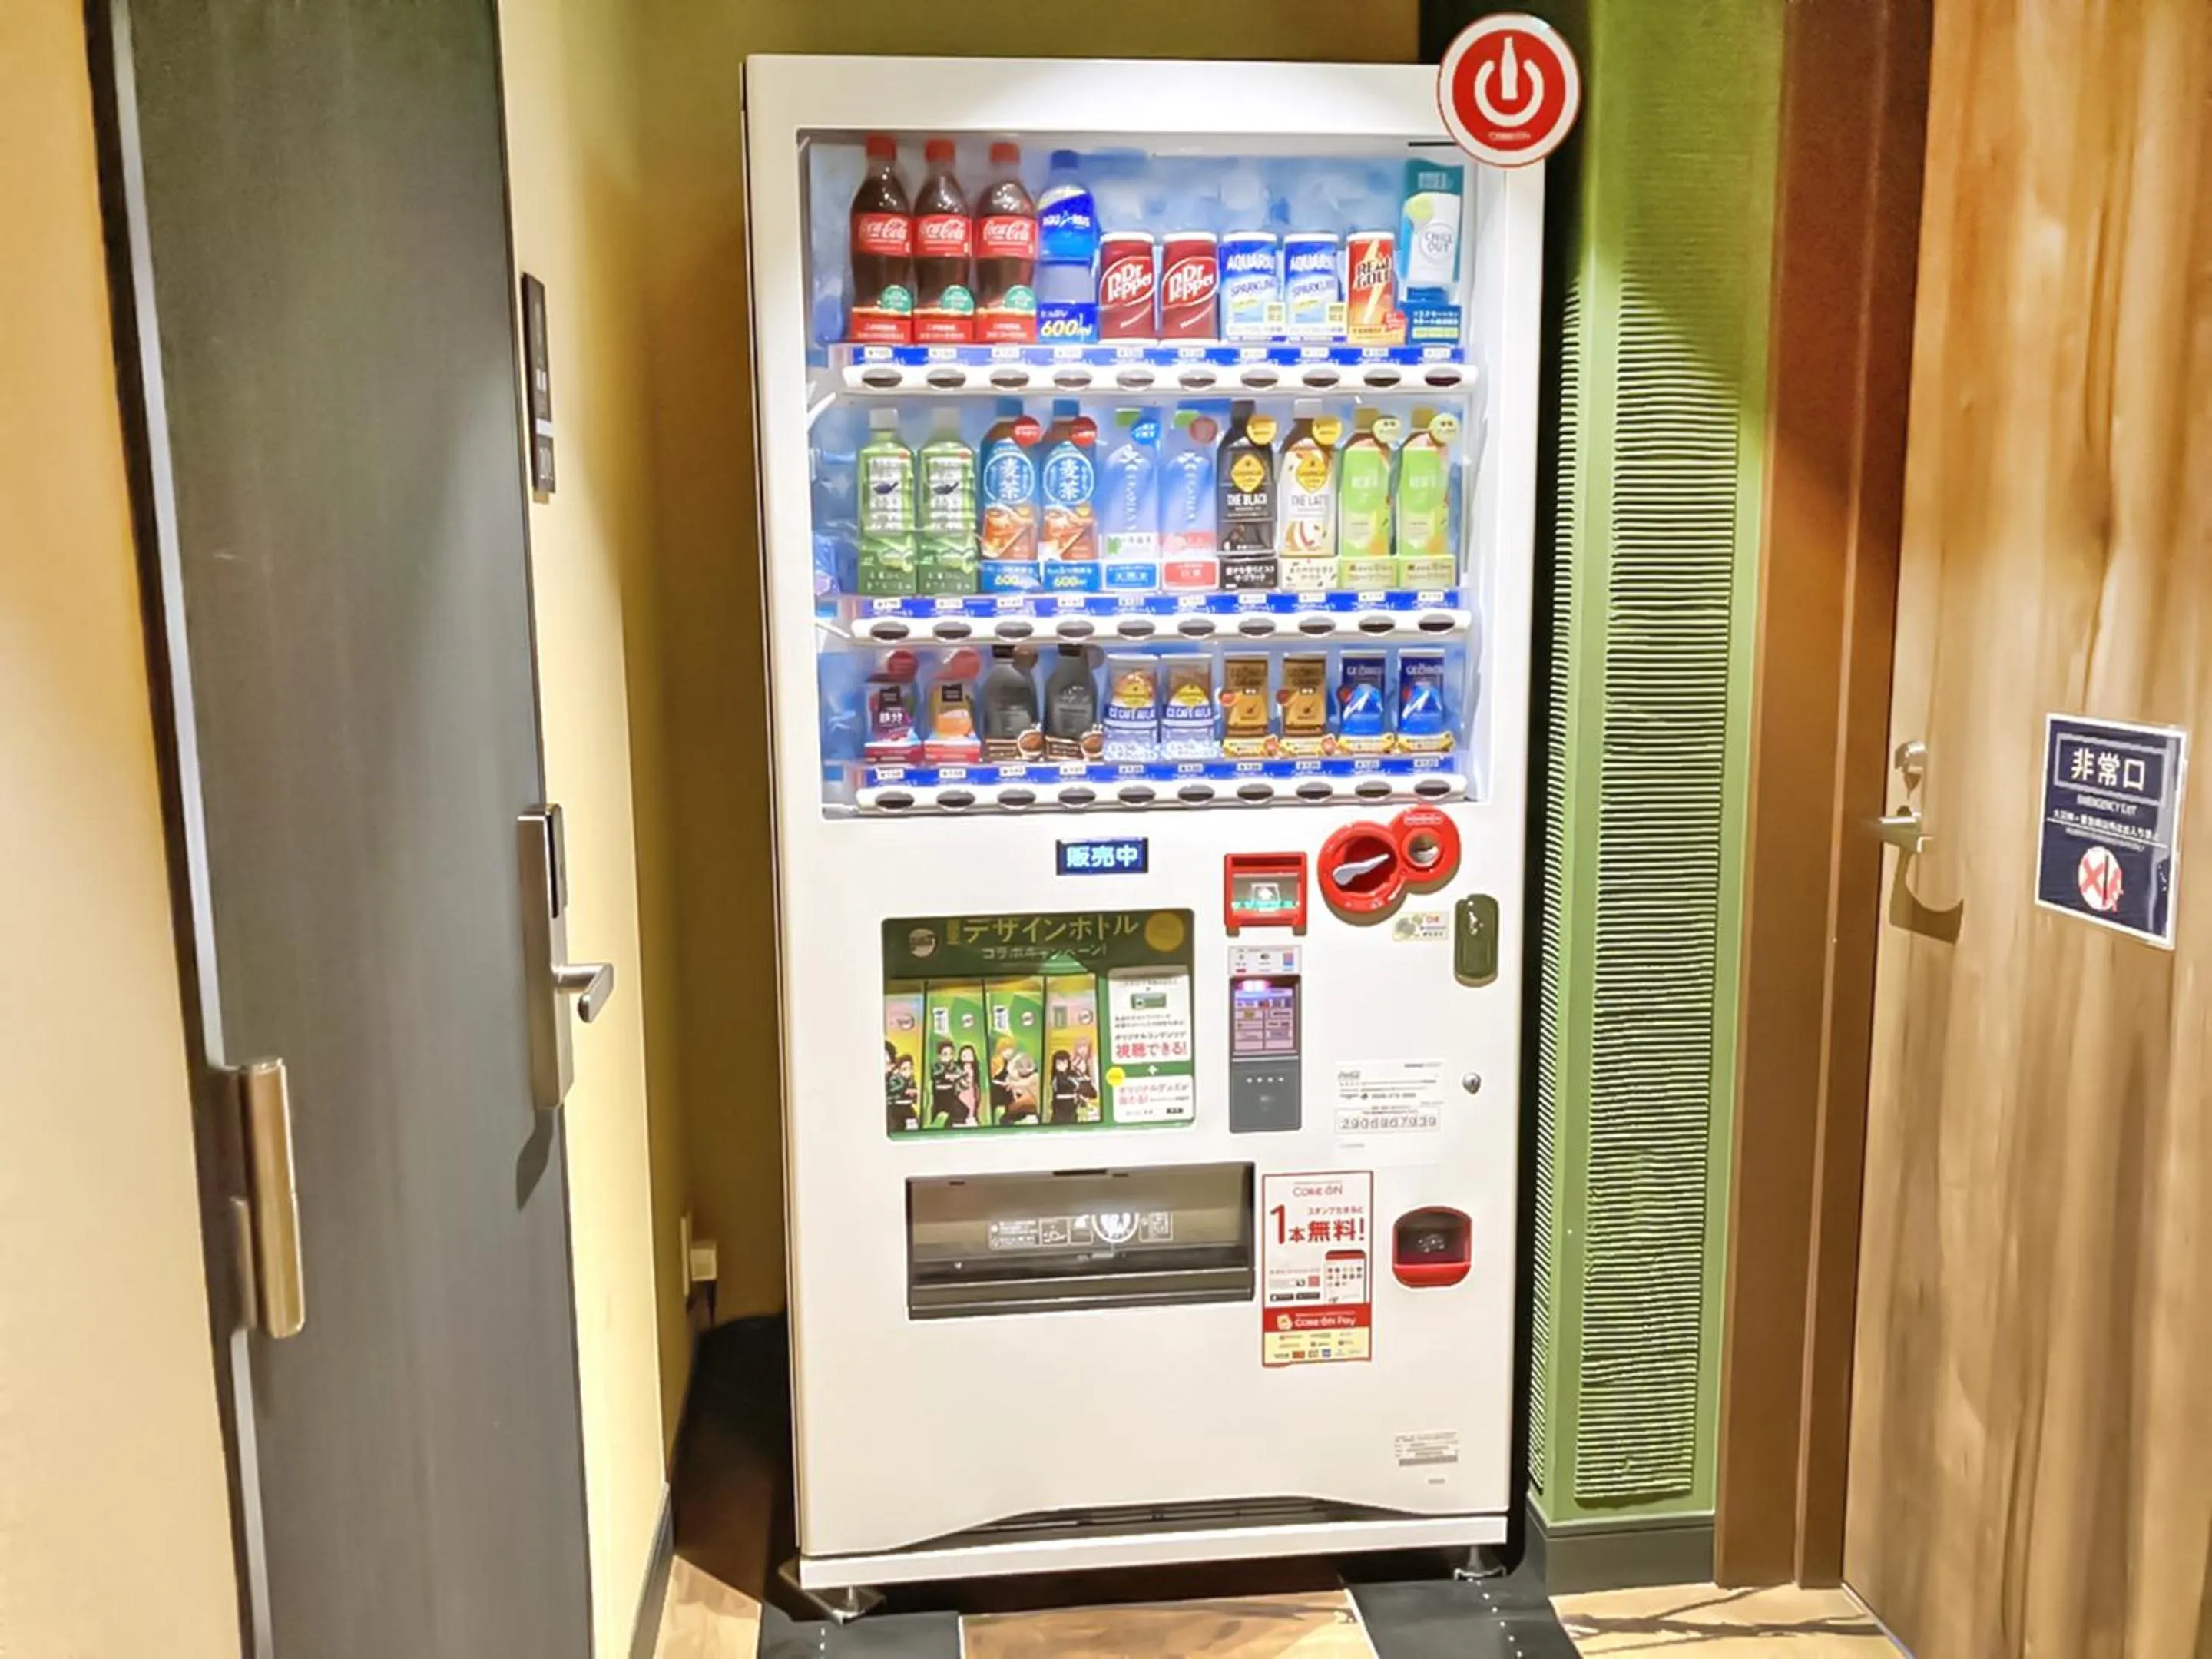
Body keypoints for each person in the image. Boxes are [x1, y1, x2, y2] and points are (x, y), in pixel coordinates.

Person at [885, 1042, 919, 1133]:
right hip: (895, 1108)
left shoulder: (911, 1080)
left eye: (910, 1068)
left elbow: (915, 1095)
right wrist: (905, 1090)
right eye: (904, 1069)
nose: (908, 1072)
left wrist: (914, 1095)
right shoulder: (894, 1079)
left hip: (907, 1107)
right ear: (897, 1069)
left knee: (913, 1125)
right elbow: (894, 1089)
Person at [929, 1039, 963, 1128]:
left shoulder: (954, 1066)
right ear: (939, 1056)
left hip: (951, 1095)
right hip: (939, 1096)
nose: (948, 1057)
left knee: (963, 1110)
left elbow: (960, 1074)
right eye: (945, 1054)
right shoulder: (936, 1066)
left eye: (951, 1054)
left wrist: (958, 1077)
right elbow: (936, 1075)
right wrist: (947, 1076)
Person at [955, 1045, 982, 1125]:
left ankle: (971, 1117)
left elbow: (975, 1082)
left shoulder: (974, 1069)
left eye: (969, 1055)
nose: (967, 1057)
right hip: (962, 1091)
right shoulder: (958, 1068)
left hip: (971, 1091)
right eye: (964, 1055)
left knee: (972, 1103)